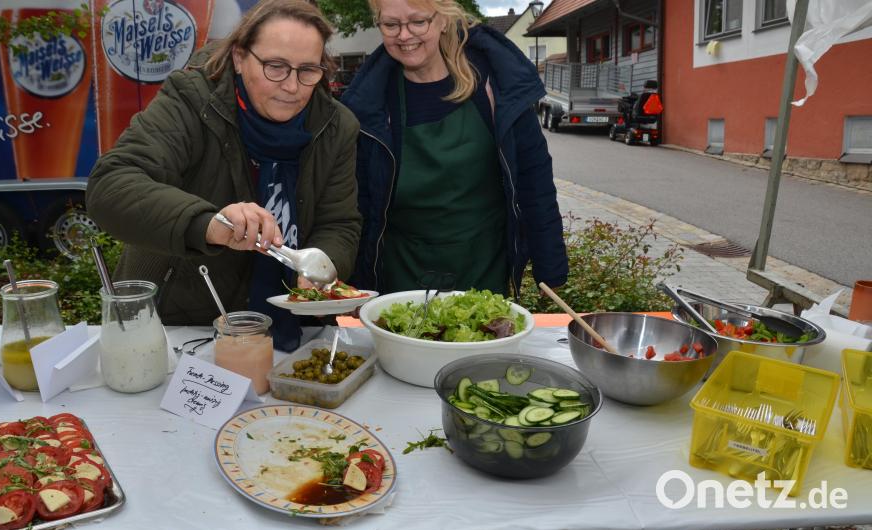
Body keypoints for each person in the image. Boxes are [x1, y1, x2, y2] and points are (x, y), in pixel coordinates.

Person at [86, 0, 362, 352]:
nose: (292, 86)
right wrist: (208, 223)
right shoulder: (191, 99)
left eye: (307, 70)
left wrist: (321, 266)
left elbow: (339, 223)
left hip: (294, 329)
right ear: (239, 57)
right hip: (181, 326)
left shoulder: (336, 126)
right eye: (275, 67)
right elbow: (111, 184)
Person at [342, 0, 568, 296]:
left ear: (443, 20)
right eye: (391, 25)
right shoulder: (370, 102)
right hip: (399, 275)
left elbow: (534, 182)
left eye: (418, 22)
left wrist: (550, 269)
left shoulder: (495, 87)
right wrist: (356, 286)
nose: (404, 35)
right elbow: (360, 203)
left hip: (483, 270)